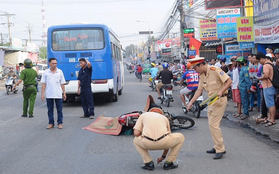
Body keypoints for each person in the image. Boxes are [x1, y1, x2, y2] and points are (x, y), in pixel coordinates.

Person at [187, 57, 232, 160]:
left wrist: (222, 90)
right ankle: (217, 146)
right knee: (211, 125)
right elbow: (199, 91)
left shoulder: (215, 70)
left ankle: (220, 149)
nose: (195, 71)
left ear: (201, 65)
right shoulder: (202, 75)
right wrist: (191, 103)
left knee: (214, 125)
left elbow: (229, 81)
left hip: (220, 100)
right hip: (212, 101)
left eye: (195, 68)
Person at [41, 58, 67, 129]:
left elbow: (62, 83)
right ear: (49, 64)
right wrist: (42, 94)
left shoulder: (60, 72)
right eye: (53, 63)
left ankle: (60, 123)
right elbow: (43, 83)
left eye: (55, 63)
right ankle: (51, 123)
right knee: (50, 110)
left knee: (59, 110)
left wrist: (64, 93)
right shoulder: (46, 72)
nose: (54, 65)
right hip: (49, 94)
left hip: (58, 94)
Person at [257, 52, 277, 127]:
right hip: (271, 86)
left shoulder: (265, 65)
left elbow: (266, 75)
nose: (259, 62)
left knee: (271, 104)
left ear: (262, 59)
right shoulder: (271, 64)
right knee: (270, 104)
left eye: (259, 61)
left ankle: (272, 120)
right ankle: (270, 118)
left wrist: (259, 78)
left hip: (268, 86)